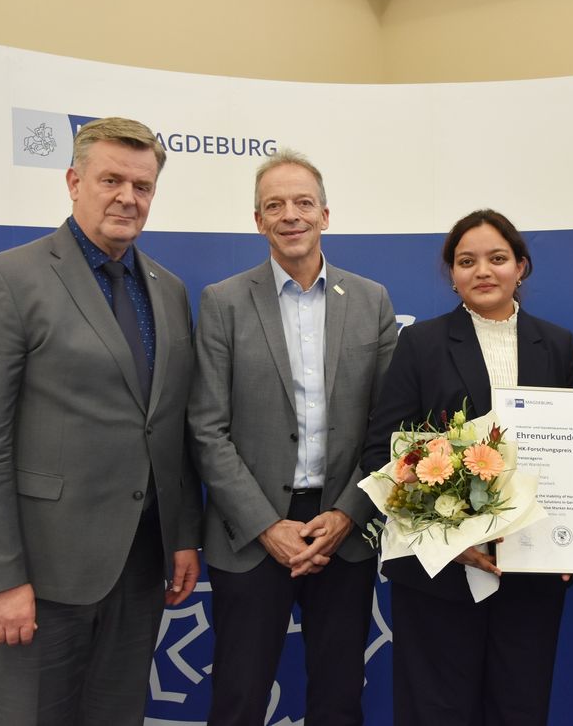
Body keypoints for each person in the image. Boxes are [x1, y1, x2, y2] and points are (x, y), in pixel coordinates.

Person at [0, 117, 203, 725]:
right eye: (111, 180)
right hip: (37, 576)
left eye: (142, 186)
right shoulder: (7, 280)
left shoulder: (167, 289)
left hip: (138, 567)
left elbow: (168, 427)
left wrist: (182, 534)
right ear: (73, 181)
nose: (127, 197)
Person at [187, 150, 397, 726]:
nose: (290, 215)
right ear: (258, 220)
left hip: (344, 530)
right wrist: (265, 526)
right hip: (250, 530)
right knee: (239, 696)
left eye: (303, 202)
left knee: (338, 696)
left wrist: (349, 514)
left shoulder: (372, 300)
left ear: (325, 214)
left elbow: (387, 429)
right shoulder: (223, 302)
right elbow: (207, 428)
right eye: (274, 205)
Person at [361, 208, 573, 726]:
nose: (482, 271)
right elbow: (382, 455)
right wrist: (448, 540)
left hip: (531, 571)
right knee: (436, 712)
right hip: (440, 575)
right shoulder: (421, 344)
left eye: (497, 258)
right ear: (453, 274)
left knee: (519, 709)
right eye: (467, 262)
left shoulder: (557, 344)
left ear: (520, 267)